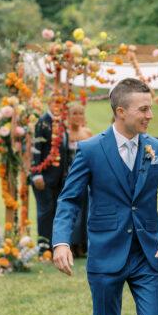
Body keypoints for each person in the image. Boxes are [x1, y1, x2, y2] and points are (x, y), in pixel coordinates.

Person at [52, 78, 158, 315]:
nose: (150, 115)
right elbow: (69, 200)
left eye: (150, 109)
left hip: (148, 253)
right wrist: (61, 241)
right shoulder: (89, 150)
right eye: (144, 109)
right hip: (104, 252)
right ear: (121, 111)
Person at [31, 97, 70, 254]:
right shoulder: (43, 122)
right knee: (45, 212)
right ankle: (43, 247)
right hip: (43, 178)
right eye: (55, 102)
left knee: (56, 212)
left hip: (59, 178)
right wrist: (36, 174)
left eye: (61, 103)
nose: (58, 106)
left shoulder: (60, 123)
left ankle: (55, 246)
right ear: (48, 103)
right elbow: (36, 149)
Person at [67, 104, 92, 257]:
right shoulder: (65, 134)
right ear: (69, 116)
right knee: (73, 210)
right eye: (74, 113)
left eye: (80, 114)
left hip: (86, 177)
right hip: (69, 175)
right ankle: (71, 244)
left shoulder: (87, 133)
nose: (77, 117)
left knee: (86, 211)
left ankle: (82, 245)